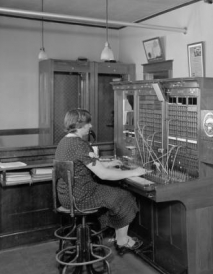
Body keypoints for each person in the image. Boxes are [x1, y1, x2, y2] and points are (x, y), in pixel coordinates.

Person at [55, 108, 147, 253]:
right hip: (80, 197)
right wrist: (134, 171)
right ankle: (122, 240)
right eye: (88, 123)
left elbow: (82, 164)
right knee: (124, 196)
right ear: (79, 125)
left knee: (108, 192)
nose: (91, 126)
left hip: (66, 196)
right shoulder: (79, 144)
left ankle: (109, 233)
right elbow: (103, 175)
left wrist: (107, 165)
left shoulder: (64, 142)